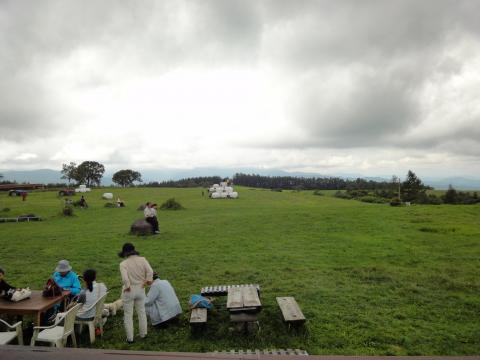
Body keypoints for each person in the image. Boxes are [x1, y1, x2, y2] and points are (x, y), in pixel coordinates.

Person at [118, 243, 153, 344]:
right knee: (141, 312)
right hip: (141, 289)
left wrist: (127, 286)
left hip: (129, 291)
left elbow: (125, 278)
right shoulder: (143, 260)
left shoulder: (123, 264)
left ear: (125, 253)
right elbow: (150, 271)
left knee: (128, 314)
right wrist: (148, 281)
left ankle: (130, 338)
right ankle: (143, 334)